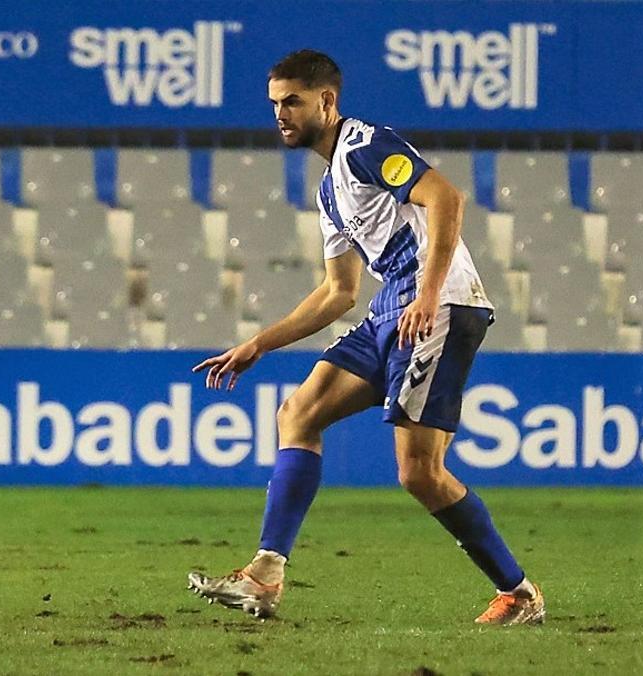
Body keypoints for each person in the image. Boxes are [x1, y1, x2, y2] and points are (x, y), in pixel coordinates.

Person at [188, 49, 543, 625]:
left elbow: (447, 198)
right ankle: (264, 574)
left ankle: (520, 594)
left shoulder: (365, 146)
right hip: (388, 309)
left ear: (327, 101)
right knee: (298, 413)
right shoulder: (331, 188)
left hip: (440, 304)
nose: (280, 114)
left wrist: (427, 295)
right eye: (275, 103)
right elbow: (337, 293)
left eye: (293, 102)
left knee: (419, 473)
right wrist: (259, 343)